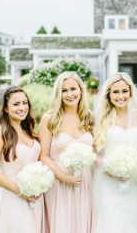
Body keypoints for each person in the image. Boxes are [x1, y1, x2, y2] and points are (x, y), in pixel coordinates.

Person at [38, 72, 94, 233]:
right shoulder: (49, 118)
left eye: (73, 89)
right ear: (58, 94)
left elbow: (96, 152)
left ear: (81, 90)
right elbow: (43, 155)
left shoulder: (90, 117)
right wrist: (64, 177)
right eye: (64, 90)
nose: (69, 94)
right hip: (58, 182)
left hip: (84, 181)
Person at [0, 86, 45, 233]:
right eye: (16, 104)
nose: (22, 107)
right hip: (12, 195)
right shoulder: (0, 132)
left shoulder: (27, 127)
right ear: (5, 108)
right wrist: (20, 191)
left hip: (34, 195)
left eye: (25, 103)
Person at [91, 72, 137, 233]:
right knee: (110, 221)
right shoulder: (101, 117)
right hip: (108, 181)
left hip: (134, 180)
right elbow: (94, 152)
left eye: (124, 91)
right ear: (108, 94)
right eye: (115, 92)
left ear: (130, 92)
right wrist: (109, 168)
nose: (120, 96)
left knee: (132, 220)